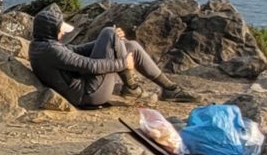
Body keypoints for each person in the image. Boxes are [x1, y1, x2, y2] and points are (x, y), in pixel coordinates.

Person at [26, 9, 169, 110]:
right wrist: (124, 64)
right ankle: (132, 88)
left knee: (130, 45)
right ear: (50, 30)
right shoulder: (50, 50)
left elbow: (75, 51)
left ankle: (170, 88)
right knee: (108, 32)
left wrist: (114, 42)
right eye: (59, 29)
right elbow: (90, 66)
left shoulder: (42, 46)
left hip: (87, 90)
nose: (62, 32)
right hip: (88, 95)